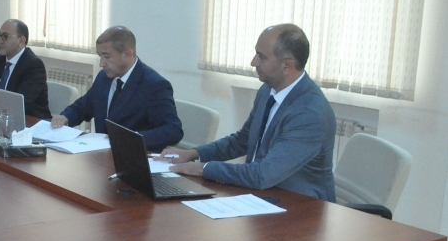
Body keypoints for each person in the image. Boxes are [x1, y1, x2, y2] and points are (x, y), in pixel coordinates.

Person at [161, 24, 336, 201]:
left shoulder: (309, 114)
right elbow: (243, 140)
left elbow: (263, 174)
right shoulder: (267, 90)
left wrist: (203, 168)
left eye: (262, 57)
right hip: (261, 195)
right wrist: (194, 154)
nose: (253, 62)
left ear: (287, 65)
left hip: (300, 206)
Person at [50, 26, 183, 151]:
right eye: (100, 56)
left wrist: (130, 138)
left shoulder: (154, 85)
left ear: (127, 54)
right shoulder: (104, 77)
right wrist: (66, 116)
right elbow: (84, 106)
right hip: (100, 153)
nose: (101, 63)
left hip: (132, 156)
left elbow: (173, 130)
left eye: (107, 56)